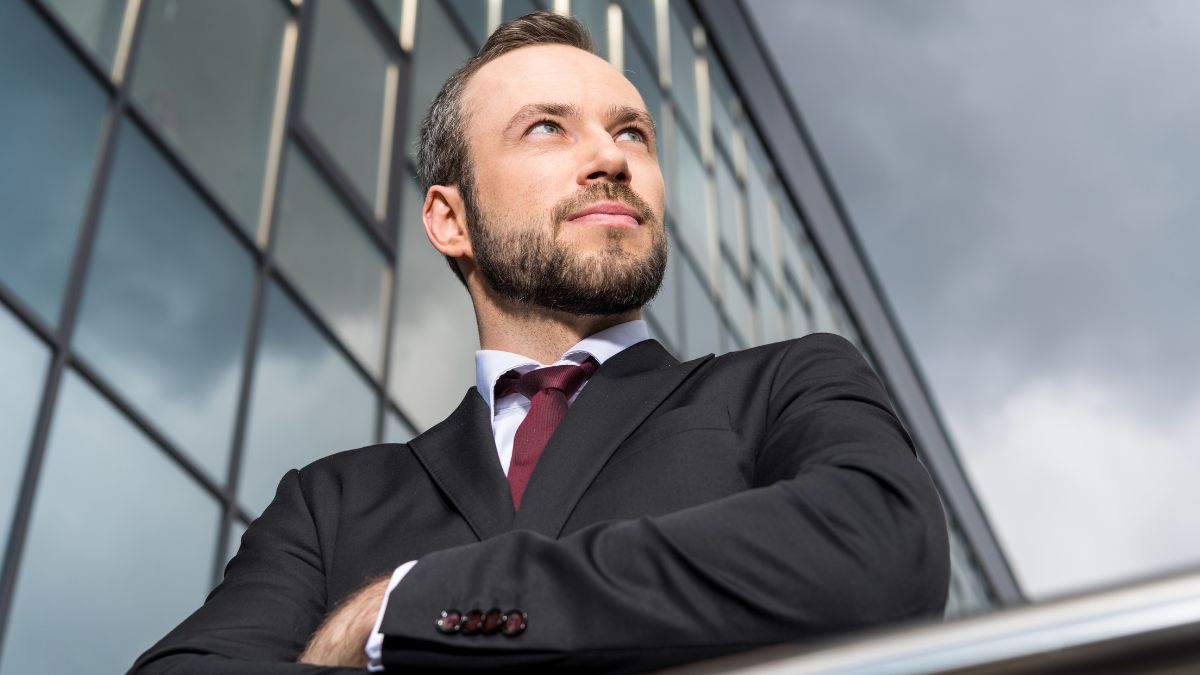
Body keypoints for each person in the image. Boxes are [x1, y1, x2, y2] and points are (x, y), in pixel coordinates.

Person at [130, 11, 948, 674]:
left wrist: (398, 613)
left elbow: (880, 544)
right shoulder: (331, 503)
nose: (609, 159)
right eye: (548, 128)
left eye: (633, 134)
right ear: (451, 220)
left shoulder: (784, 385)